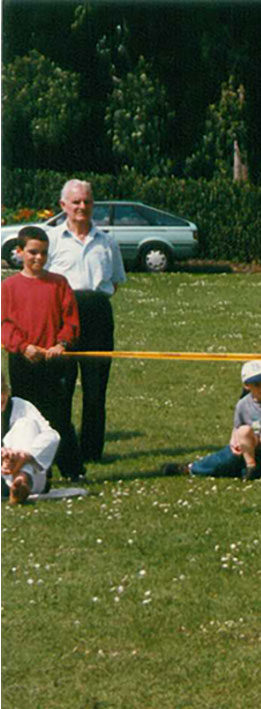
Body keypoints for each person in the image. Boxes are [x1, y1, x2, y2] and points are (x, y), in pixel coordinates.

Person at [44, 178, 125, 463]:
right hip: (61, 319)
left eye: (87, 202)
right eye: (76, 202)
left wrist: (92, 306)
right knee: (61, 389)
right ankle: (61, 450)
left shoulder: (107, 241)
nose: (82, 207)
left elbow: (115, 283)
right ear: (63, 205)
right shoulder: (51, 240)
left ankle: (91, 451)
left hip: (98, 318)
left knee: (95, 391)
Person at [2, 225, 82, 480]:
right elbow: (4, 325)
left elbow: (71, 320)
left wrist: (62, 344)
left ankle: (72, 470)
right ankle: (24, 470)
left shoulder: (58, 284)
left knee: (59, 418)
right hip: (23, 363)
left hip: (53, 362)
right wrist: (23, 347)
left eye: (44, 253)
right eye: (33, 252)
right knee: (25, 420)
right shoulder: (9, 287)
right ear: (20, 252)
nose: (38, 258)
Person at [2, 375, 60, 505]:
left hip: (32, 474)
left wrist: (26, 455)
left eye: (2, 392)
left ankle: (21, 481)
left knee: (26, 424)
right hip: (2, 473)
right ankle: (19, 483)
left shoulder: (21, 405)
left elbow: (52, 436)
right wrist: (4, 455)